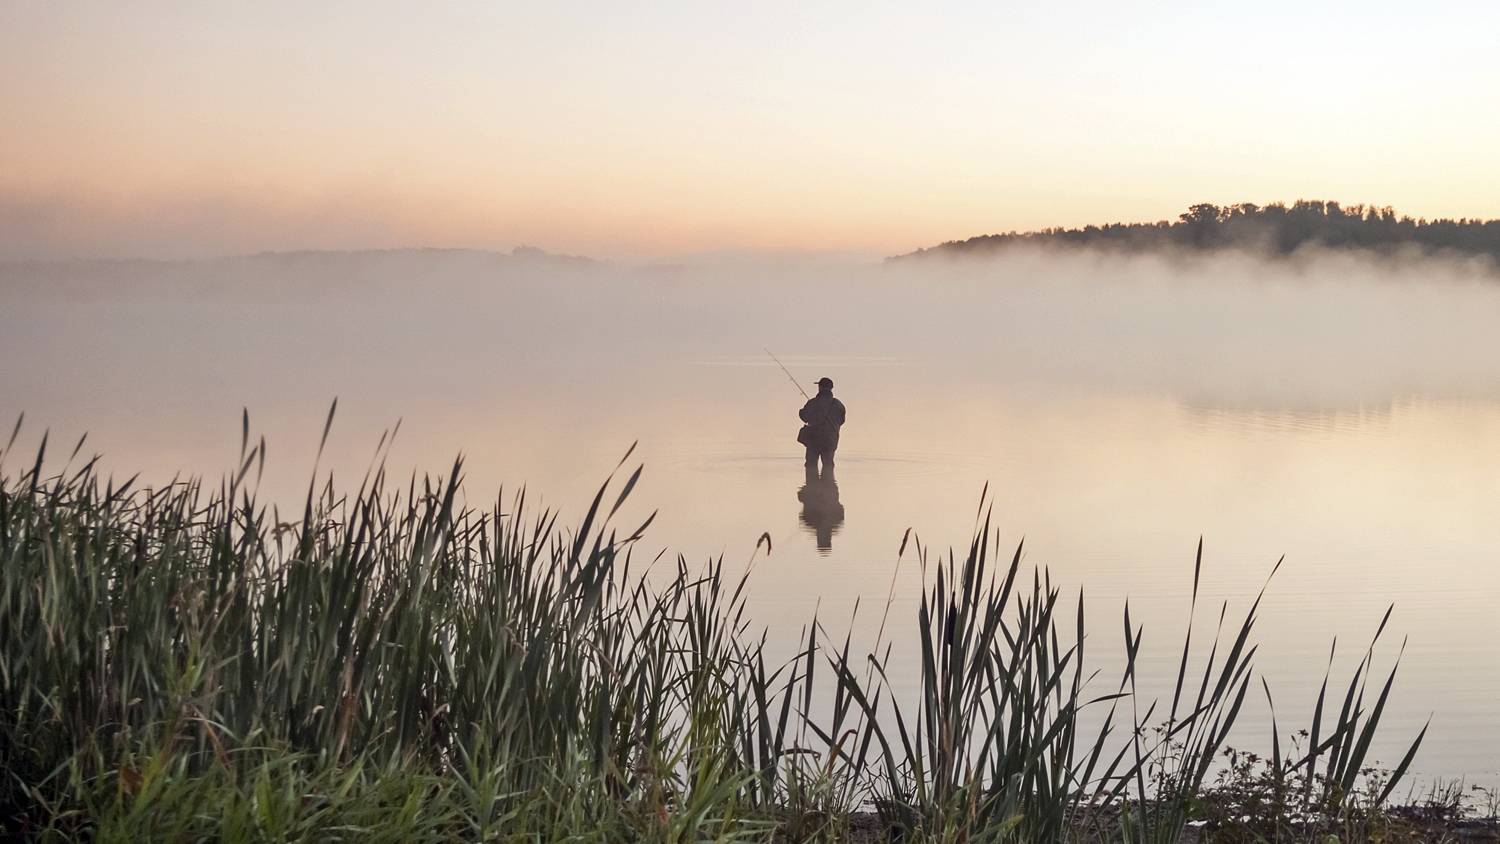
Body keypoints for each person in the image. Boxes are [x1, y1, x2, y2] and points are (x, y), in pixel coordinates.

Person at [797, 377, 846, 472]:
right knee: (828, 465)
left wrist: (801, 412)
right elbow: (841, 421)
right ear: (831, 388)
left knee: (810, 465)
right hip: (831, 440)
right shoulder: (839, 405)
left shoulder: (812, 402)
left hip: (814, 440)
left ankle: (811, 485)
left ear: (820, 387)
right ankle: (829, 484)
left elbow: (804, 417)